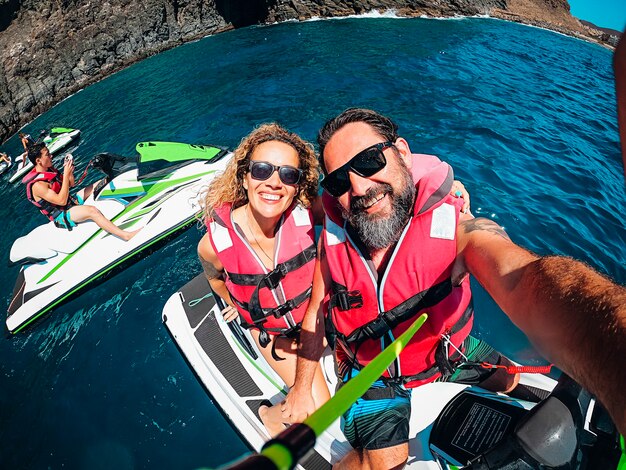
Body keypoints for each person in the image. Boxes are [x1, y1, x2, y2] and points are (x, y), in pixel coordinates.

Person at [283, 108, 626, 469]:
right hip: (373, 371)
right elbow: (316, 309)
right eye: (339, 181)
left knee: (507, 378)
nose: (360, 187)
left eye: (369, 161)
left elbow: (525, 277)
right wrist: (302, 387)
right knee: (383, 464)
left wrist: (611, 345)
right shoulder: (337, 237)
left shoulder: (458, 228)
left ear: (402, 152)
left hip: (444, 350)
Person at [197, 123, 332, 436]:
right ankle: (269, 416)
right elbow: (215, 280)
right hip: (278, 335)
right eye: (262, 170)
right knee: (317, 413)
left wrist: (442, 185)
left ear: (297, 186)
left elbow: (363, 203)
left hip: (320, 317)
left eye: (287, 175)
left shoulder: (308, 213)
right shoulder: (214, 244)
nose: (274, 182)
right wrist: (236, 304)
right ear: (245, 177)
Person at [25, 142, 139, 240]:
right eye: (47, 154)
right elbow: (61, 201)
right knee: (92, 211)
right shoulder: (38, 185)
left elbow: (71, 184)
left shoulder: (49, 169)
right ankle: (126, 235)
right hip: (62, 215)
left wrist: (69, 172)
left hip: (71, 201)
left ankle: (133, 194)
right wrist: (65, 175)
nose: (51, 155)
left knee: (101, 182)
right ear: (39, 160)